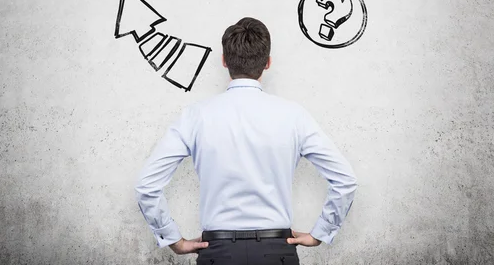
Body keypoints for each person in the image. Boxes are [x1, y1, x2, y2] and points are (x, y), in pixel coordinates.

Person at [135, 17, 358, 264]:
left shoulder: (196, 115)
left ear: (224, 61)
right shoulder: (294, 116)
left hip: (217, 253)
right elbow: (345, 180)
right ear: (268, 63)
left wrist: (172, 239)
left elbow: (147, 185)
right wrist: (321, 232)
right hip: (277, 253)